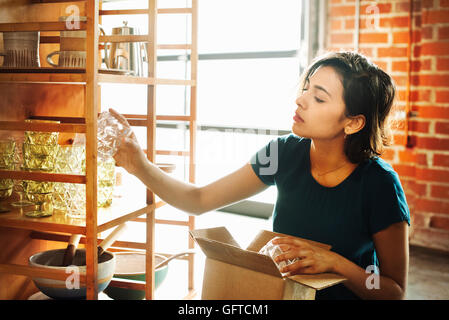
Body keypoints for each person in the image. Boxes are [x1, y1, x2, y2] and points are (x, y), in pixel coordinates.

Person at [109, 51, 410, 300]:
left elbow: (394, 291)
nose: (300, 100)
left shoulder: (380, 184)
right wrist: (140, 165)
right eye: (306, 88)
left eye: (319, 98)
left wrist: (335, 264)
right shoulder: (282, 152)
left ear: (353, 123)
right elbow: (199, 200)